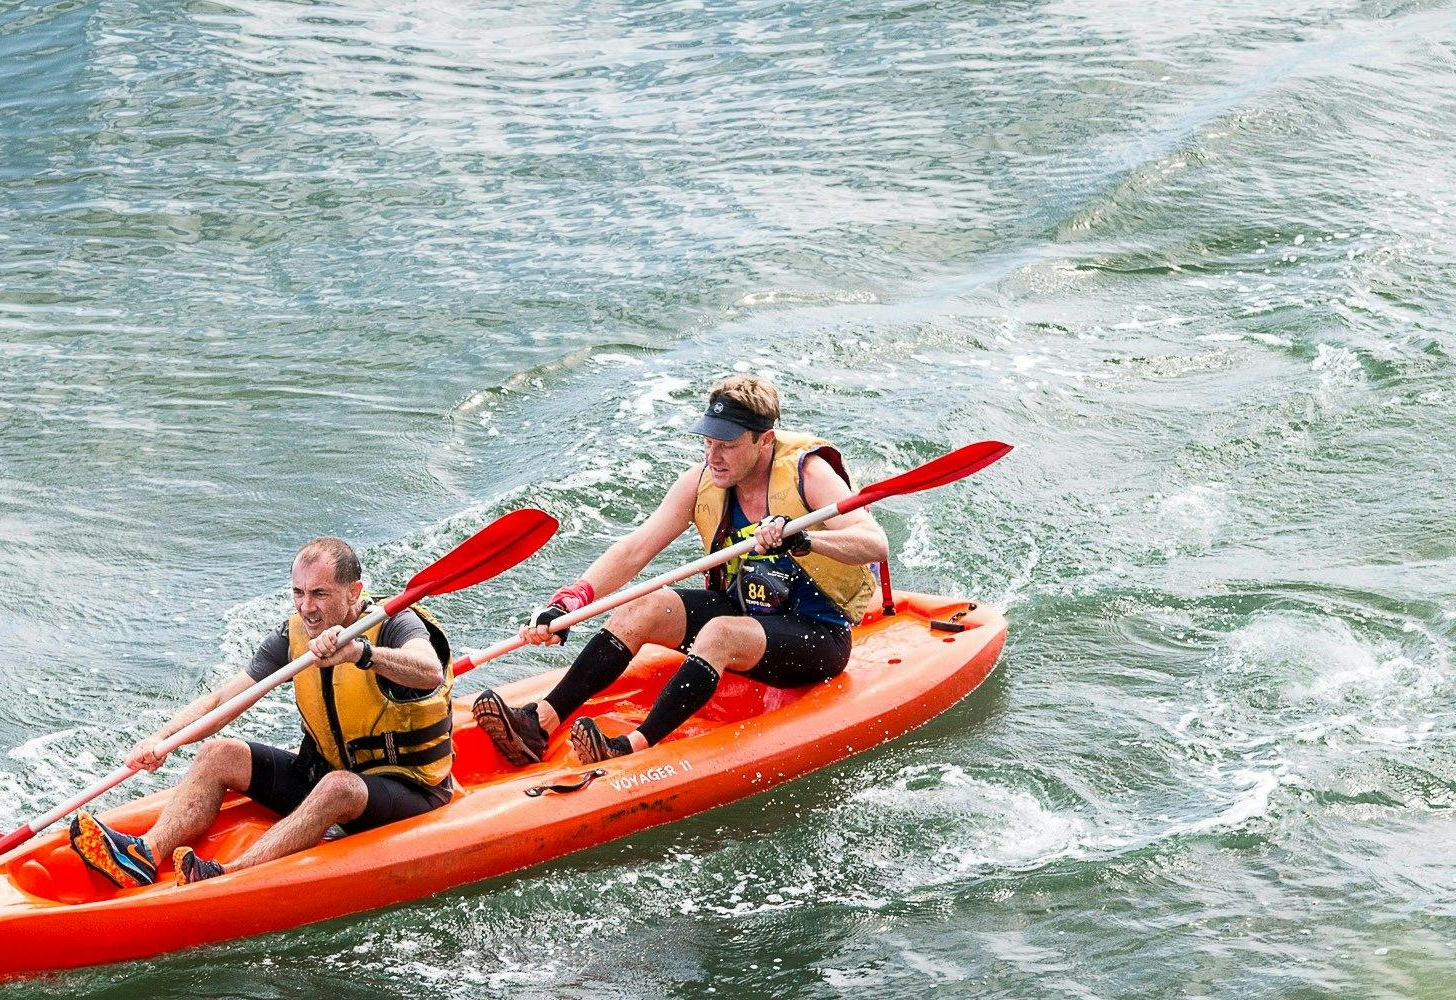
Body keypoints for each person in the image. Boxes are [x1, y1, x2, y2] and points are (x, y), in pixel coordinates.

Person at [470, 375, 892, 768]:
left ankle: (628, 748)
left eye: (727, 445)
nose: (714, 456)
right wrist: (569, 602)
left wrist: (805, 541)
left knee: (720, 633)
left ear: (765, 441)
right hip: (743, 609)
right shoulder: (702, 481)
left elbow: (874, 542)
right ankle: (539, 723)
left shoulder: (808, 474)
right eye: (708, 442)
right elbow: (636, 549)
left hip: (815, 632)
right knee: (643, 606)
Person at [67, 537, 456, 888]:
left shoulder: (394, 624)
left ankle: (230, 875)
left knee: (340, 786)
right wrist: (163, 739)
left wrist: (360, 653)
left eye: (320, 593)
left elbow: (428, 671)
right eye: (298, 593)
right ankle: (143, 854)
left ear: (354, 592)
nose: (308, 607)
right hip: (325, 778)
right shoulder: (294, 636)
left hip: (409, 788)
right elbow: (223, 702)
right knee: (219, 753)